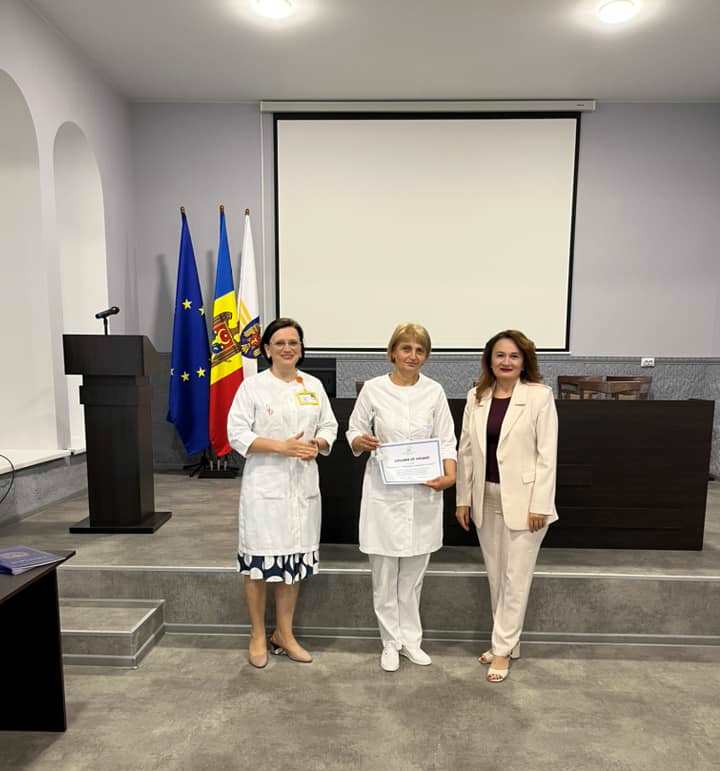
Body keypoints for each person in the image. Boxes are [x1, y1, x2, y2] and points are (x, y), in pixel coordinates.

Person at [227, 317, 338, 668]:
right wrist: (281, 447)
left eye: (293, 342)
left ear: (301, 349)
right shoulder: (253, 387)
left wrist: (318, 443)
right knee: (258, 565)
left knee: (293, 563)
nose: (287, 348)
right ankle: (258, 634)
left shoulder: (313, 385)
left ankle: (284, 634)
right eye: (280, 343)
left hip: (302, 487)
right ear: (267, 349)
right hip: (265, 487)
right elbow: (237, 433)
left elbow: (329, 425)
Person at [346, 323, 457, 672]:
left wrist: (450, 474)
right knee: (384, 576)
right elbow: (354, 429)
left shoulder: (434, 391)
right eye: (406, 348)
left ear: (426, 356)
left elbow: (447, 440)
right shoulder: (374, 389)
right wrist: (360, 441)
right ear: (392, 352)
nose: (413, 356)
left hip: (423, 492)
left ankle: (411, 641)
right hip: (384, 492)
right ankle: (390, 642)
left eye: (420, 350)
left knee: (412, 577)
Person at [455, 329, 558, 683]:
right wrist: (463, 498)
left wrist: (540, 504)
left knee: (516, 579)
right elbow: (466, 451)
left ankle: (501, 650)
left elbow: (547, 456)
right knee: (498, 578)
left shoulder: (539, 396)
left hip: (527, 504)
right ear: (490, 360)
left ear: (524, 361)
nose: (507, 361)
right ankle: (508, 642)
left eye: (514, 356)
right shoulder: (476, 396)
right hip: (485, 498)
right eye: (500, 355)